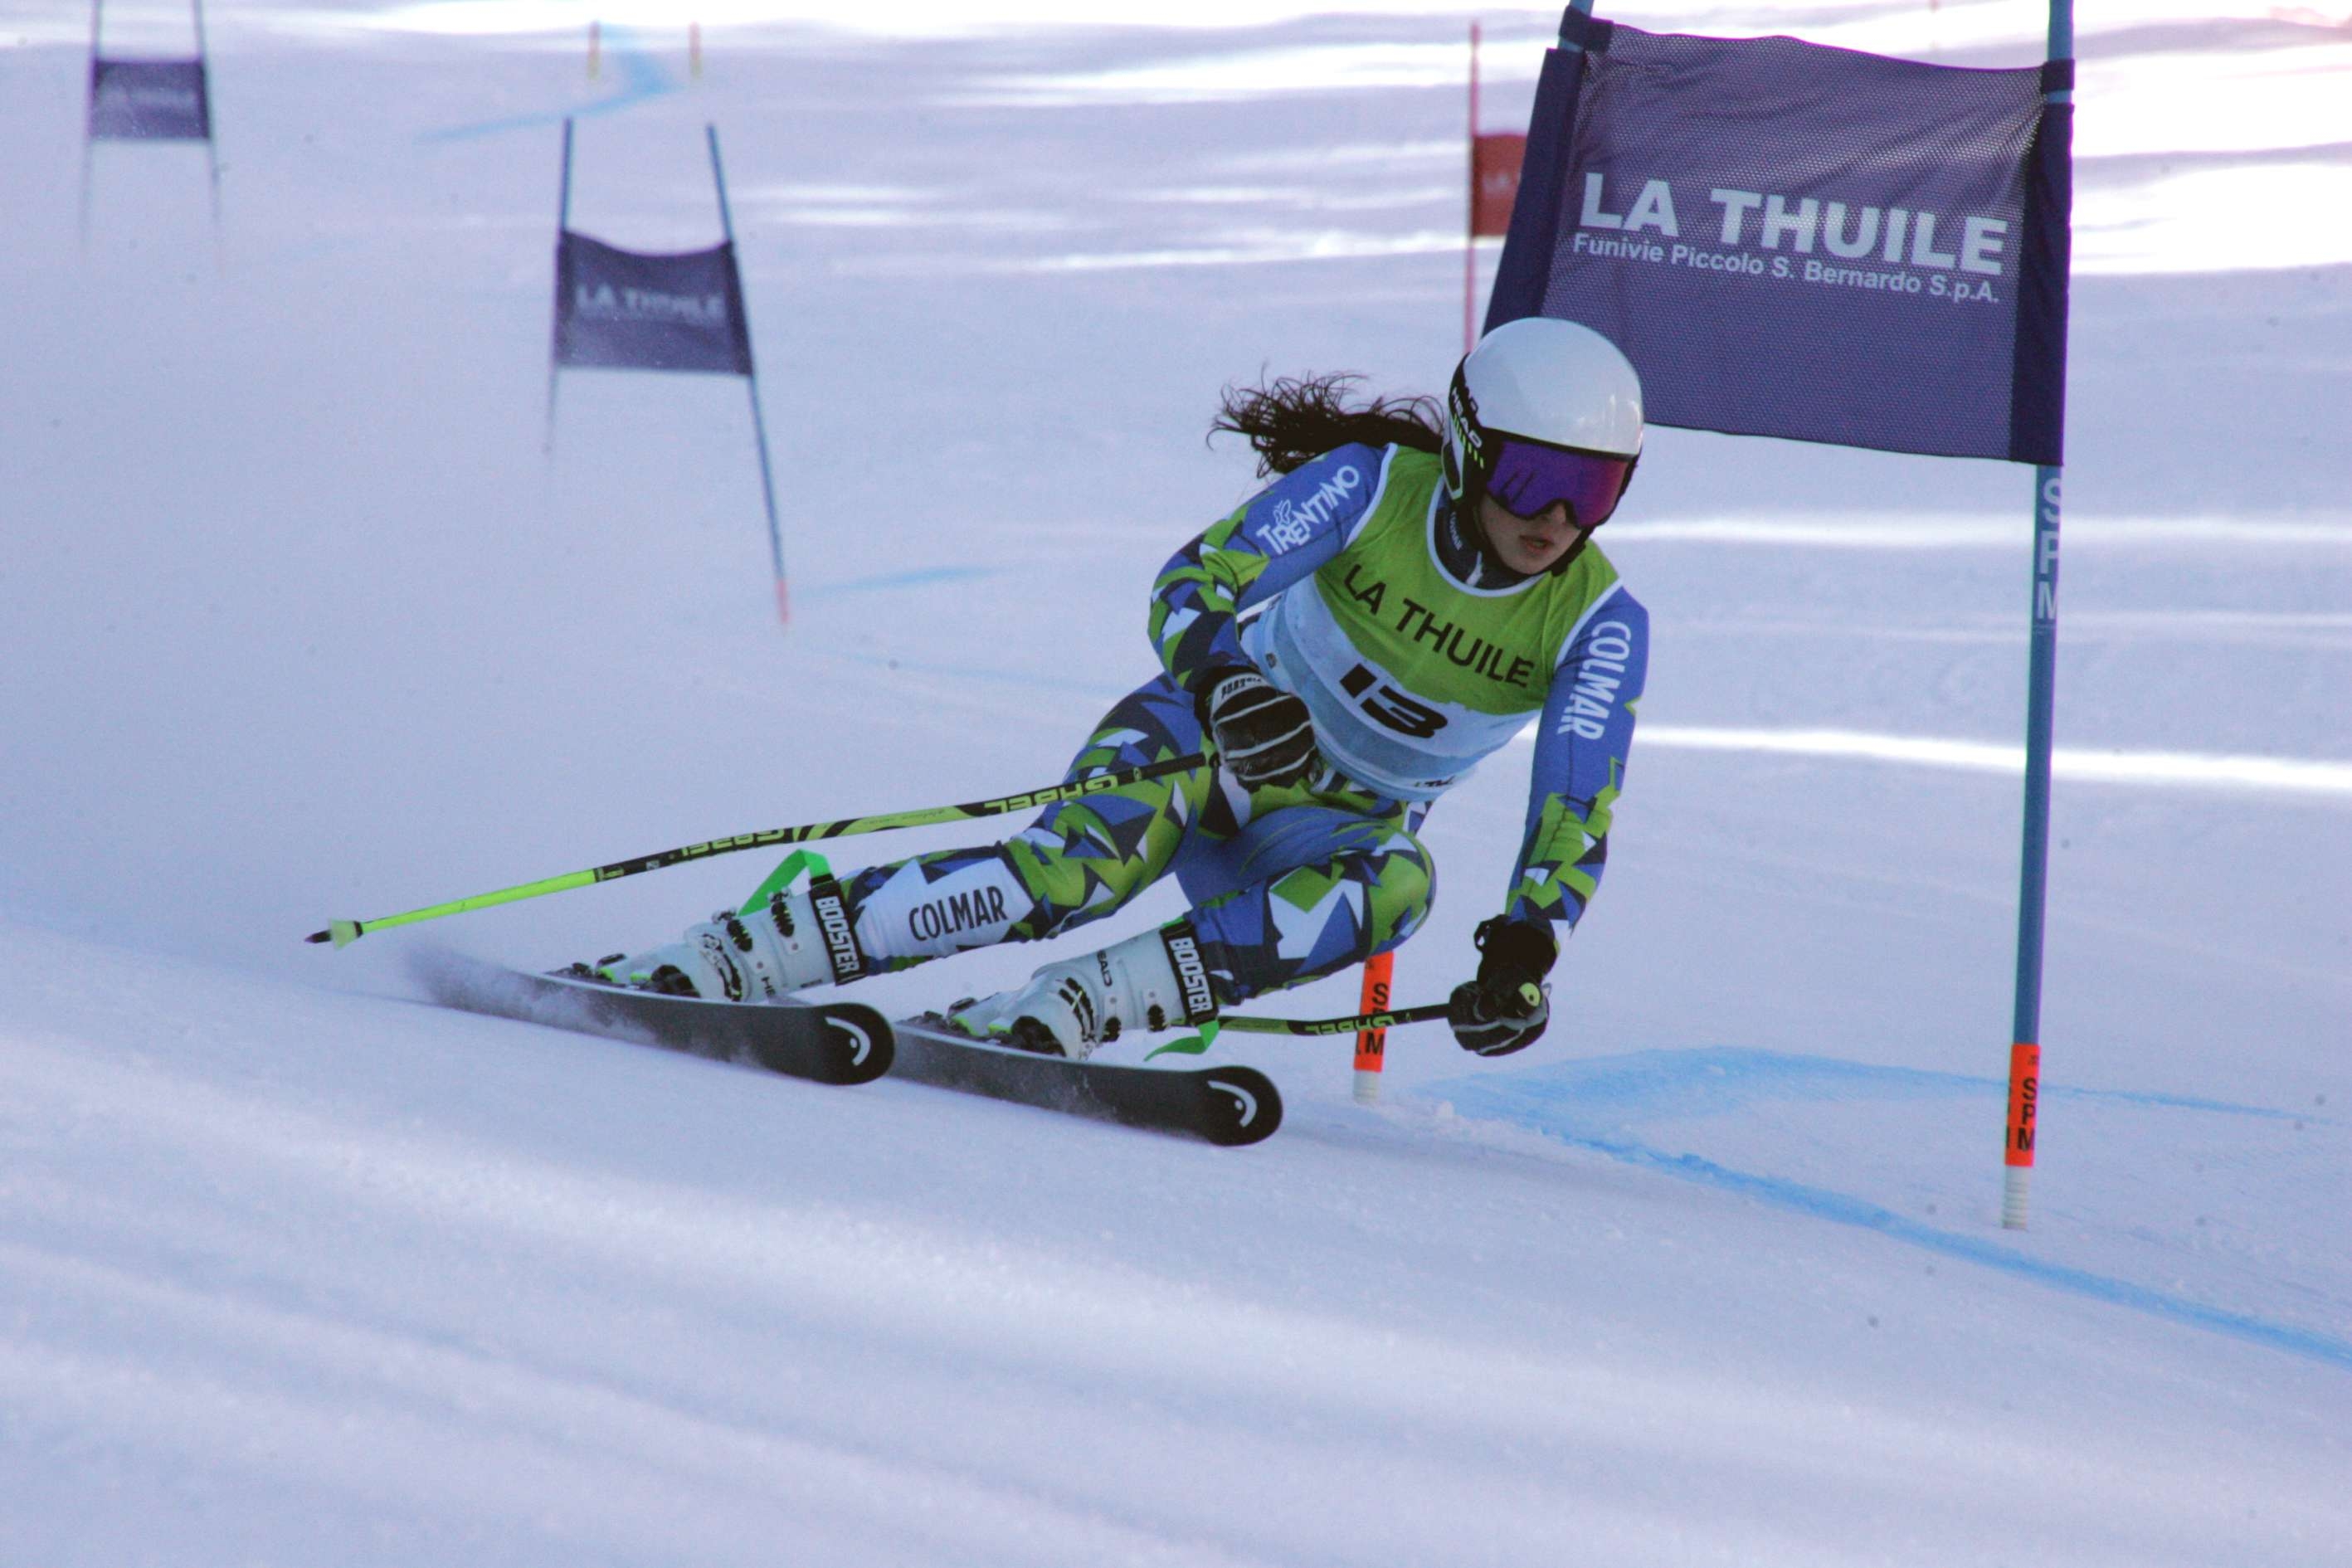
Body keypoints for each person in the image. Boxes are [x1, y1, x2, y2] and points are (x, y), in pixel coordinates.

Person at [592, 317, 1651, 1061]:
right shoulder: (1372, 485)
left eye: (1594, 490)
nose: (1555, 519)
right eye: (1530, 477)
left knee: (1398, 886)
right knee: (1058, 883)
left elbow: (1574, 805)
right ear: (1467, 453)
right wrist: (1228, 682)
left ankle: (1078, 1009)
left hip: (1329, 828)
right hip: (1206, 747)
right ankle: (737, 953)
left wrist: (1525, 945)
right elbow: (1193, 583)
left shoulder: (1598, 620)